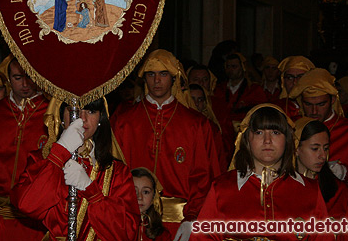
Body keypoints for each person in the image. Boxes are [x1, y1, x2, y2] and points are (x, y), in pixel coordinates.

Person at [111, 49, 222, 241]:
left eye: (163, 74)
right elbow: (113, 172)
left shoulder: (196, 123)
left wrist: (193, 218)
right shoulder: (124, 120)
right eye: (151, 74)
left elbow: (204, 175)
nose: (157, 80)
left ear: (174, 78)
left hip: (179, 223)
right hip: (133, 220)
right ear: (144, 78)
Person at [194, 104, 331, 241]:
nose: (267, 141)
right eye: (259, 132)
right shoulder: (221, 189)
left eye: (275, 133)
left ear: (287, 139)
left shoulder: (310, 191)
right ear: (247, 139)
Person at [11, 96, 140, 240]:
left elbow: (128, 233)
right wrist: (60, 152)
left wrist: (92, 192)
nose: (82, 119)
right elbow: (26, 205)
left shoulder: (117, 172)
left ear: (100, 119)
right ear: (61, 116)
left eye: (90, 111)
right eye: (74, 110)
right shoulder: (43, 160)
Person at [0, 56, 50, 239]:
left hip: (37, 218)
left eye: (29, 77)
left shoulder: (50, 114)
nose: (24, 84)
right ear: (8, 80)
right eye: (17, 77)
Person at [290, 68, 348, 206]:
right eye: (308, 104)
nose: (314, 111)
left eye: (321, 104)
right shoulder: (292, 127)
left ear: (333, 100)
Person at [294, 117, 348, 235]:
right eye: (315, 148)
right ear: (296, 148)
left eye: (326, 148)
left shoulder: (339, 191)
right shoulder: (281, 187)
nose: (323, 155)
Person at [211, 53, 266, 127]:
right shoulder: (219, 89)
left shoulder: (254, 90)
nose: (230, 70)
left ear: (243, 67)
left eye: (234, 66)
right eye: (228, 66)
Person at [132, 167, 173, 241]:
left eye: (146, 192)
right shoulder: (115, 228)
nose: (140, 197)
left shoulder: (162, 235)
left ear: (153, 197)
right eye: (134, 191)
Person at [277, 55, 316, 120]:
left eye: (300, 77)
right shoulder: (277, 108)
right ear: (283, 82)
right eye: (290, 77)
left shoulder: (319, 109)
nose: (295, 82)